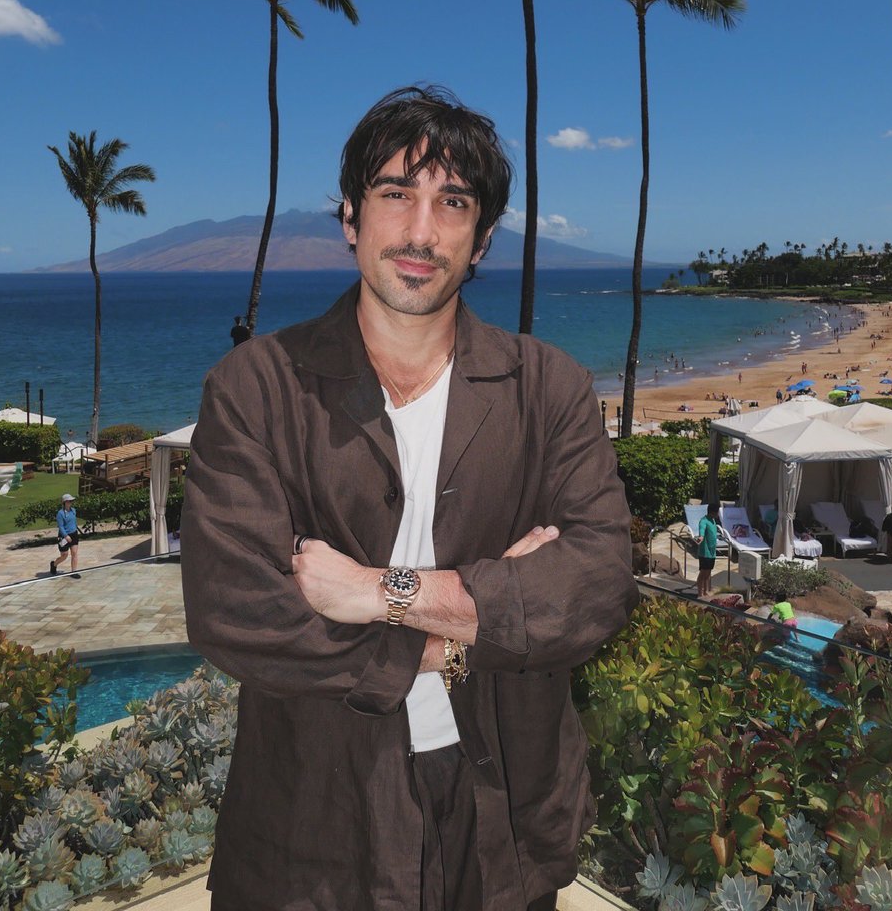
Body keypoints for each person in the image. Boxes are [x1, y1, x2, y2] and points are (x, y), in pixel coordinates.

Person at [180, 86, 637, 911]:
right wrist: (473, 627)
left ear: (481, 237)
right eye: (395, 194)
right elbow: (234, 609)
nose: (421, 231)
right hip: (315, 823)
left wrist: (375, 592)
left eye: (452, 202)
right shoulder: (255, 389)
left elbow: (597, 582)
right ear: (351, 218)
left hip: (506, 814)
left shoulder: (550, 389)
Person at [50, 493, 80, 577]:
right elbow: (61, 526)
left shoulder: (73, 510)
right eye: (69, 501)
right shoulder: (60, 513)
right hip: (63, 536)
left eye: (71, 501)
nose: (70, 502)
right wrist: (66, 536)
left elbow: (74, 522)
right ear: (64, 502)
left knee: (74, 553)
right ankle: (54, 564)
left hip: (74, 534)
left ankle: (74, 572)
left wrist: (75, 530)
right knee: (64, 555)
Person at [695, 502, 722, 598]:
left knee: (708, 572)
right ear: (713, 512)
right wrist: (701, 537)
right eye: (718, 512)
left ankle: (706, 591)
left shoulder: (713, 520)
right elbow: (702, 530)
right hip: (705, 552)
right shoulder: (704, 521)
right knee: (703, 573)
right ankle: (700, 593)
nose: (718, 514)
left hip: (712, 552)